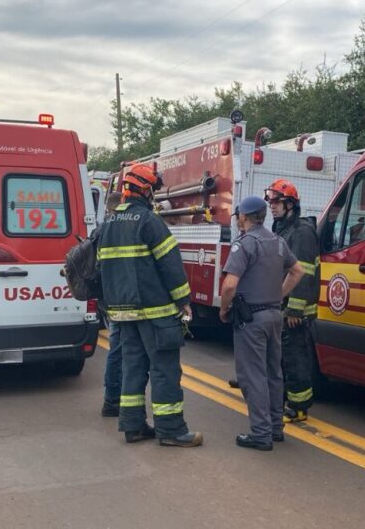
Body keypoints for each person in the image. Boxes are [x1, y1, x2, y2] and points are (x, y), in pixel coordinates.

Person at [97, 163, 203, 448]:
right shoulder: (148, 221)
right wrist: (184, 301)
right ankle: (171, 430)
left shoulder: (107, 225)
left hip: (123, 313)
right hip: (156, 312)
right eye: (152, 190)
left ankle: (132, 426)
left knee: (133, 368)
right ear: (144, 191)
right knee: (164, 370)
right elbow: (170, 264)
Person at [220, 196, 305, 451]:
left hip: (251, 320)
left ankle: (261, 433)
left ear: (243, 217)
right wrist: (279, 295)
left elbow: (230, 284)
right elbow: (298, 271)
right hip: (274, 315)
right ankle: (276, 428)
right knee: (273, 373)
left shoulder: (244, 244)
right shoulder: (278, 242)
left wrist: (224, 309)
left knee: (252, 376)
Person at [266, 179, 320, 423]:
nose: (272, 206)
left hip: (295, 310)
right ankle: (287, 400)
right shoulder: (282, 228)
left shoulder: (302, 232)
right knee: (283, 357)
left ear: (290, 204)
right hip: (283, 306)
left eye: (276, 202)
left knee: (295, 358)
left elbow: (304, 272)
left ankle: (299, 408)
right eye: (270, 201)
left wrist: (295, 310)